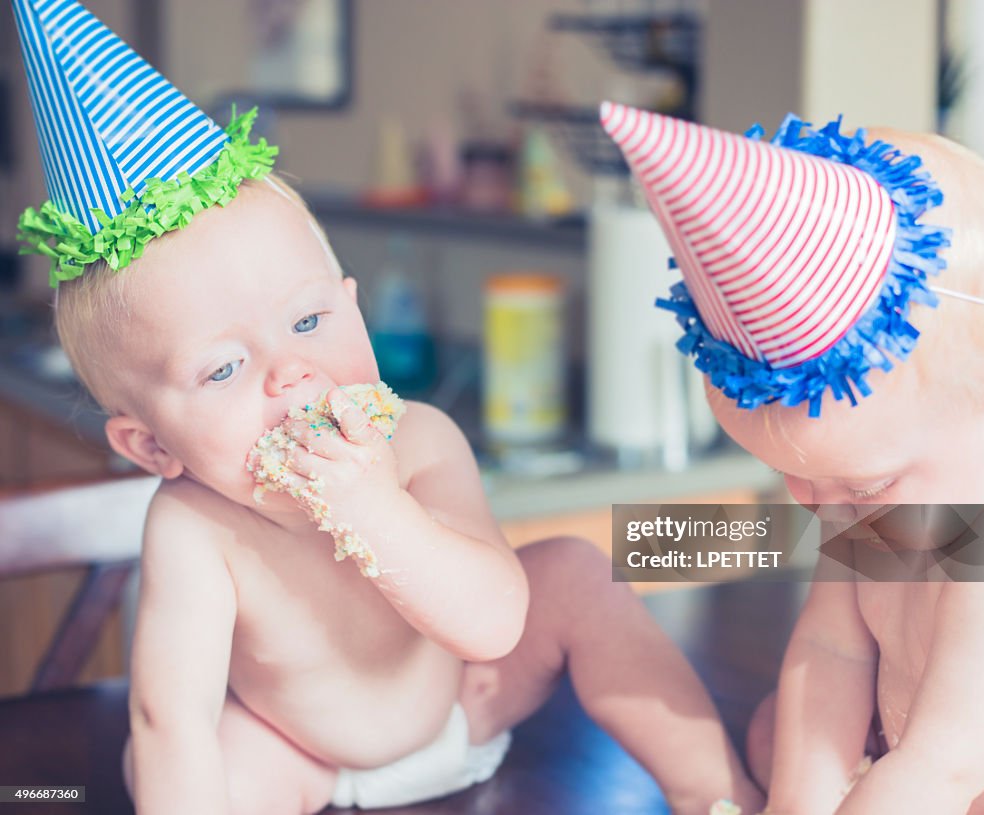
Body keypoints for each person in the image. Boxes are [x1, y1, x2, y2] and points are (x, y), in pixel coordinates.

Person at [12, 3, 762, 813]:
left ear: (354, 307)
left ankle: (716, 789)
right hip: (302, 756)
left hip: (468, 702)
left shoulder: (425, 439)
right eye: (224, 367)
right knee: (166, 760)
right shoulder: (193, 528)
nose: (290, 373)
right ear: (152, 445)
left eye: (307, 322)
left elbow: (494, 625)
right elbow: (172, 717)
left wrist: (373, 505)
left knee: (576, 573)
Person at [603, 101, 984, 814]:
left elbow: (945, 763)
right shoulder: (877, 498)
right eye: (793, 476)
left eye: (866, 482)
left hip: (959, 777)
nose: (821, 506)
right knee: (781, 731)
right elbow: (833, 649)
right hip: (910, 763)